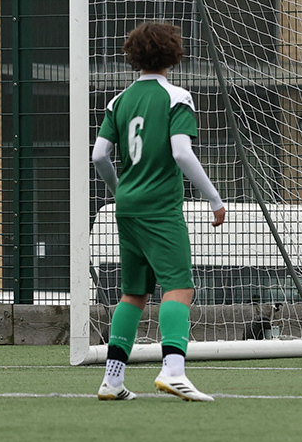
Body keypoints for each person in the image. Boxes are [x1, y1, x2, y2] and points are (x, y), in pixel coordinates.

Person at [92, 21, 226, 402]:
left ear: (133, 56)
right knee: (179, 287)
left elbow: (99, 156)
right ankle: (173, 370)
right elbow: (182, 152)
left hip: (127, 207)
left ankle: (113, 380)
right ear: (173, 54)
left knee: (133, 294)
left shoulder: (119, 101)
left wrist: (121, 191)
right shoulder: (176, 97)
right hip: (160, 209)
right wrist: (214, 198)